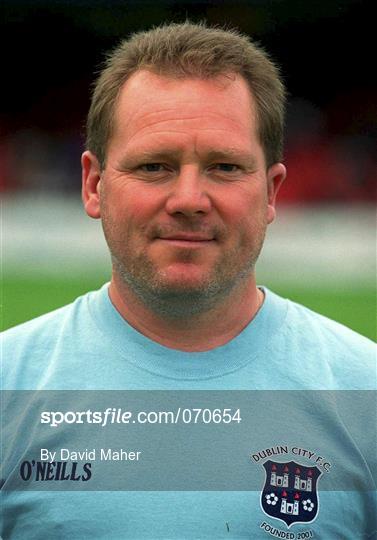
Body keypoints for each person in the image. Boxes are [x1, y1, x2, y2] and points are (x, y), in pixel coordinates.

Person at [1, 22, 375, 540]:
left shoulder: (365, 392)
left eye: (224, 167)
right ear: (93, 184)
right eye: (155, 166)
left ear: (271, 192)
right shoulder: (9, 386)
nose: (189, 199)